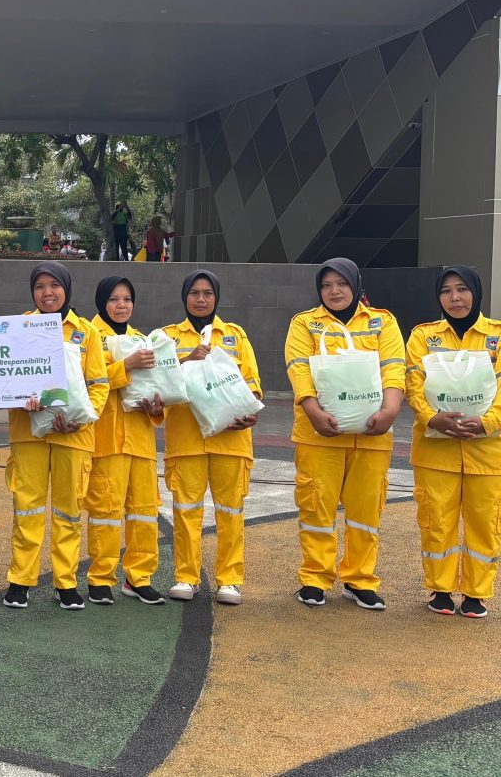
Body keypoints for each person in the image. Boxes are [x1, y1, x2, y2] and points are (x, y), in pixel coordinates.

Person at [285, 259, 404, 610]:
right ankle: (315, 578)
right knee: (317, 506)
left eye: (341, 284)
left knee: (366, 510)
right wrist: (313, 411)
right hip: (318, 434)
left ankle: (359, 579)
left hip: (372, 436)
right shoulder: (305, 323)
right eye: (326, 285)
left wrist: (391, 410)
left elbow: (394, 366)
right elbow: (298, 368)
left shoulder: (383, 321)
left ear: (355, 284)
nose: (334, 291)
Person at [4, 263, 109, 611]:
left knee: (68, 511)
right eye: (40, 286)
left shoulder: (86, 333)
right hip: (28, 433)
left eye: (54, 285)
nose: (47, 293)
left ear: (66, 288)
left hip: (73, 436)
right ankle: (21, 580)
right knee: (27, 508)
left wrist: (82, 420)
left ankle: (66, 582)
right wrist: (22, 397)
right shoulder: (18, 327)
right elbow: (7, 378)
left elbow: (99, 384)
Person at [160, 270, 261, 605]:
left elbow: (252, 384)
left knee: (230, 511)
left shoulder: (234, 335)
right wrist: (187, 359)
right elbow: (155, 382)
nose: (200, 299)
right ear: (184, 296)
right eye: (194, 292)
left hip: (231, 442)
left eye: (207, 293)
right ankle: (186, 577)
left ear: (216, 297)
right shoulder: (167, 337)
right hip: (186, 440)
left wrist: (250, 415)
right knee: (186, 510)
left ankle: (229, 580)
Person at [406, 267, 501, 618]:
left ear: (476, 292)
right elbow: (413, 381)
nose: (455, 298)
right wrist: (432, 417)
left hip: (489, 452)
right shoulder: (423, 336)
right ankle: (441, 590)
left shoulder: (497, 335)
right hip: (435, 449)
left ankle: (477, 593)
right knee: (436, 521)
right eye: (446, 291)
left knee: (485, 522)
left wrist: (486, 423)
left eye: (462, 289)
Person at [87, 277, 167, 605]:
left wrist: (157, 408)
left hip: (141, 440)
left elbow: (155, 385)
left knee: (144, 512)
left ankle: (139, 577)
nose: (122, 305)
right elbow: (88, 380)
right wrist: (126, 366)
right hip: (106, 440)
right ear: (101, 302)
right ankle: (100, 577)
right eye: (114, 299)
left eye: (127, 299)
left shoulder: (141, 340)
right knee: (106, 511)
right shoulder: (89, 337)